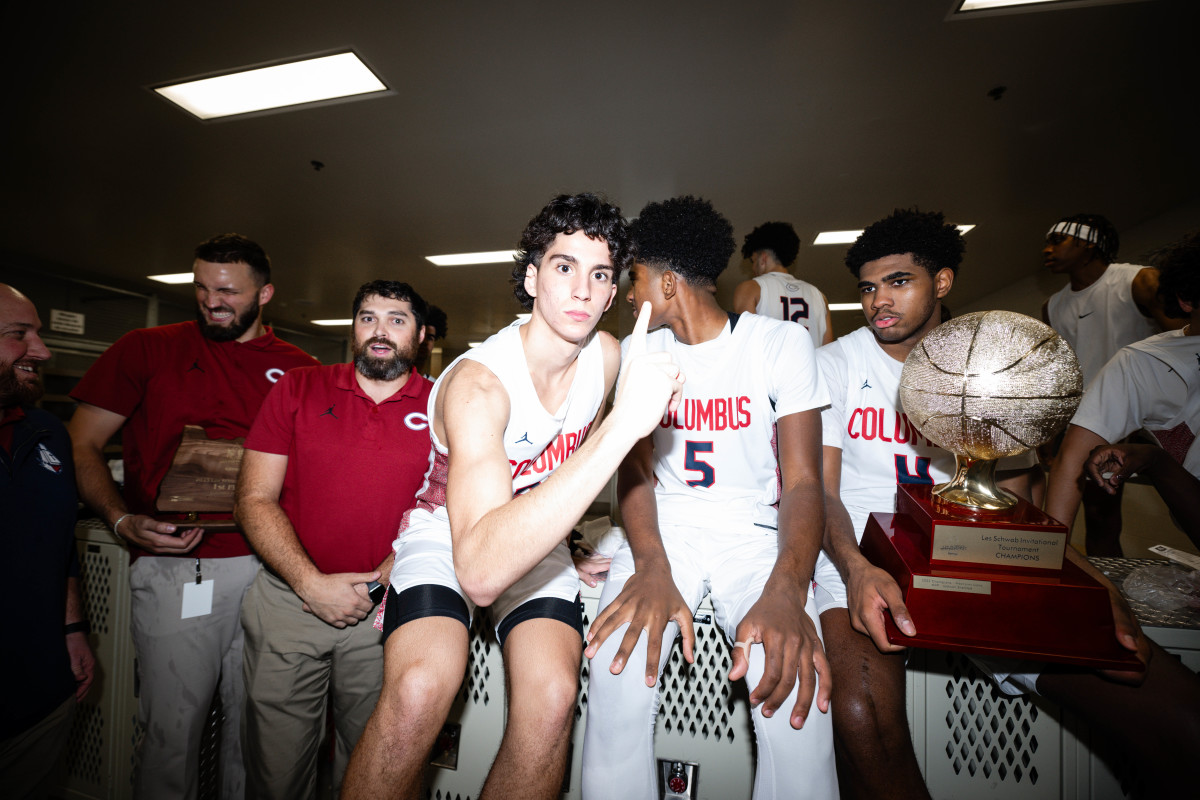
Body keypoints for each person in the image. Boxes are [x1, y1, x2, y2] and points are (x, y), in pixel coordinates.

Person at [815, 209, 1200, 799]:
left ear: (941, 282)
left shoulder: (995, 365)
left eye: (898, 281)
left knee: (1167, 709)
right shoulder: (836, 363)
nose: (877, 301)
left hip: (978, 555)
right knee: (862, 718)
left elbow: (1021, 507)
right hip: (864, 557)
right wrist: (855, 567)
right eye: (868, 287)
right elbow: (818, 489)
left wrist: (1089, 581)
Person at [342, 193, 683, 800]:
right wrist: (622, 426)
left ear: (612, 295)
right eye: (563, 267)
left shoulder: (605, 357)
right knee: (421, 687)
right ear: (532, 278)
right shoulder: (479, 384)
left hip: (539, 540)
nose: (581, 289)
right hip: (451, 536)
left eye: (600, 274)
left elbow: (567, 472)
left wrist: (574, 536)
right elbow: (478, 572)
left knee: (553, 699)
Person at [581, 197, 837, 799]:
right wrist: (650, 566)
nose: (625, 292)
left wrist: (786, 593)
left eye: (634, 278)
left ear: (667, 283)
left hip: (754, 537)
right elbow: (635, 474)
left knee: (799, 693)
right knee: (615, 676)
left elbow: (803, 484)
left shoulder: (779, 344)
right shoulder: (641, 351)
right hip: (660, 531)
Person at [68, 234, 319, 800]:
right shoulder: (145, 349)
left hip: (268, 573)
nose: (213, 303)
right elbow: (81, 443)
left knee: (253, 734)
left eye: (229, 291)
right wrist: (119, 519)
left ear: (266, 294)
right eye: (202, 289)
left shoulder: (299, 370)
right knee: (169, 731)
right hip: (178, 568)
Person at [235, 280, 433, 799]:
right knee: (274, 772)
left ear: (421, 333)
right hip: (289, 606)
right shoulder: (298, 388)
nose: (380, 332)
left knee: (373, 772)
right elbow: (254, 498)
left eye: (397, 319)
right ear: (353, 328)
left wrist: (390, 569)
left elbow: (457, 501)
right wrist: (309, 582)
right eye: (368, 318)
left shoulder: (443, 404)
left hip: (387, 611)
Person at [1047, 231, 1200, 553]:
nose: (1049, 248)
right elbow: (1073, 458)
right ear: (1187, 299)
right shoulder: (1146, 362)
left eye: (1059, 239)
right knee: (1102, 517)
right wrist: (1053, 555)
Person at [0, 284, 95, 800]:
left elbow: (61, 543)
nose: (41, 350)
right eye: (19, 335)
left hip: (39, 693)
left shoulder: (47, 434)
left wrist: (73, 627)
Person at [733, 220, 832, 348]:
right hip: (810, 367)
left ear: (763, 259)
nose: (753, 268)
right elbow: (828, 351)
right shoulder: (819, 296)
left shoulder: (750, 289)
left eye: (753, 261)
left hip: (770, 368)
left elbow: (745, 344)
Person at [416, 304, 447, 378]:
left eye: (430, 338)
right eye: (420, 335)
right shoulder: (392, 380)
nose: (425, 342)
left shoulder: (435, 385)